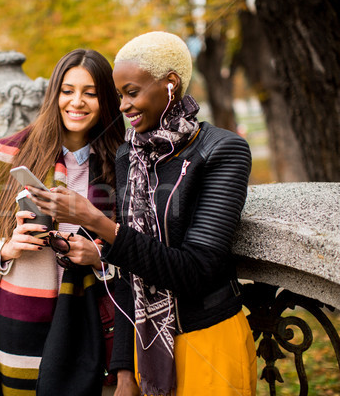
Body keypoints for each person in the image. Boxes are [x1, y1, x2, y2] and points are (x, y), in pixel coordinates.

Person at [28, 31, 257, 396]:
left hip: (208, 339)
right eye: (120, 95)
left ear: (170, 84)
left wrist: (96, 221)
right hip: (144, 345)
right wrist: (123, 372)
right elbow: (126, 277)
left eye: (132, 92)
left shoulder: (223, 150)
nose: (122, 106)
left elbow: (197, 269)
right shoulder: (129, 155)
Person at [0, 48, 126, 395]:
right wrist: (7, 247)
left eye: (90, 92)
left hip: (95, 317)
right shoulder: (9, 153)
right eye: (68, 90)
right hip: (22, 313)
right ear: (54, 94)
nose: (77, 102)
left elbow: (136, 242)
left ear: (105, 98)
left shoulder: (123, 161)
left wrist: (99, 255)